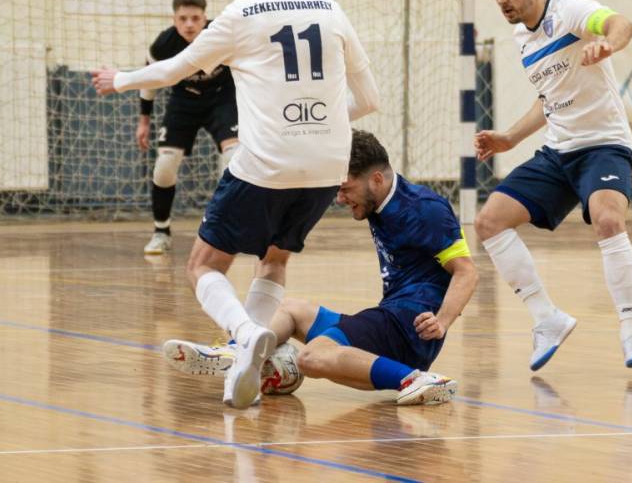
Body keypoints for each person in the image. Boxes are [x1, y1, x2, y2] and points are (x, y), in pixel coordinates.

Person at [91, 0, 381, 409]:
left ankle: (244, 333)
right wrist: (321, 126)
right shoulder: (331, 9)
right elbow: (371, 100)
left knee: (202, 265)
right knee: (274, 259)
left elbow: (172, 70)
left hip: (267, 163)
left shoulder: (241, 13)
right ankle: (244, 368)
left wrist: (119, 79)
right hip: (327, 166)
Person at [164, 129, 478, 406]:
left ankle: (417, 380)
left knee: (311, 357)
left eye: (345, 189)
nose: (340, 198)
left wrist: (442, 321)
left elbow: (467, 271)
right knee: (288, 309)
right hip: (390, 316)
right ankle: (240, 351)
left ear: (377, 179)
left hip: (410, 324)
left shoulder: (425, 209)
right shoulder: (380, 199)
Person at [474, 0, 632, 371]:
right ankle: (547, 319)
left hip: (603, 144)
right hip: (559, 150)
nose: (502, 0)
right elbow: (549, 99)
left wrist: (608, 42)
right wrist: (509, 138)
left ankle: (631, 329)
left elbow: (620, 23)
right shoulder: (522, 37)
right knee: (488, 222)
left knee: (608, 220)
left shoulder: (571, 13)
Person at [136, 0, 239, 255]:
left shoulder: (221, 35)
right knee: (164, 167)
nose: (189, 25)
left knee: (235, 160)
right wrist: (144, 121)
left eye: (195, 18)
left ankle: (229, 229)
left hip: (222, 100)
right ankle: (161, 231)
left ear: (205, 18)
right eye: (183, 19)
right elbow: (149, 83)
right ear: (174, 19)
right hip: (184, 102)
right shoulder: (163, 45)